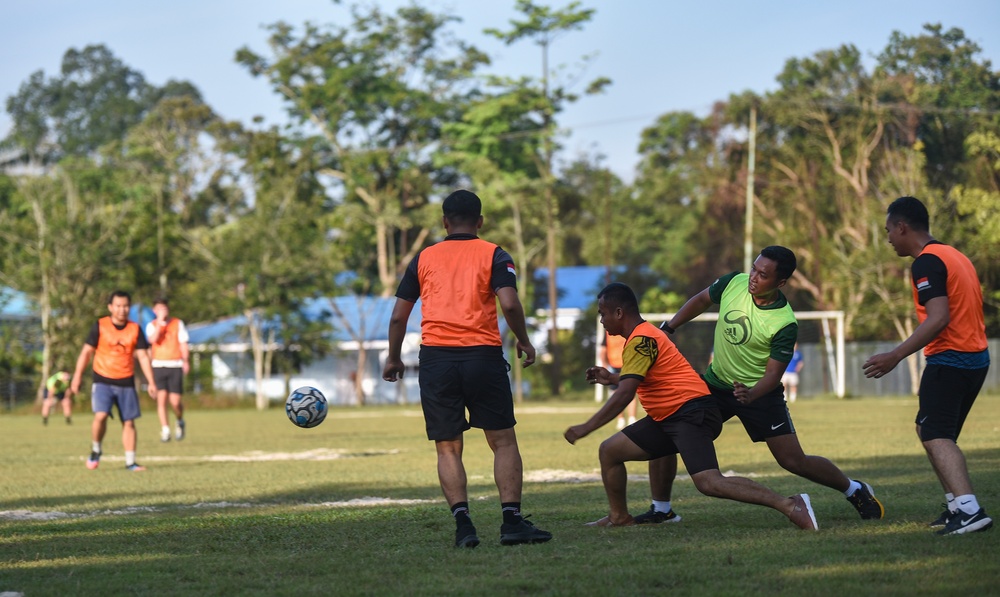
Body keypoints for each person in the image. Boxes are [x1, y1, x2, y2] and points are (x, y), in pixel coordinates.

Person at [639, 246, 884, 524]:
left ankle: (854, 489)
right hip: (714, 386)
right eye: (754, 268)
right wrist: (669, 327)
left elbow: (773, 375)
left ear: (780, 283)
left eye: (763, 274)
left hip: (760, 395)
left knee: (793, 461)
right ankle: (661, 510)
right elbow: (701, 300)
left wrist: (751, 394)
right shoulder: (734, 282)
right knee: (669, 428)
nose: (753, 277)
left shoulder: (784, 323)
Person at [565, 283, 818, 530]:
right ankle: (619, 517)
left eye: (602, 314)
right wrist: (611, 377)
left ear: (619, 313)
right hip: (673, 415)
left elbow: (625, 394)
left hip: (690, 413)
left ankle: (790, 505)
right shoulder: (643, 337)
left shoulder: (642, 340)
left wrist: (586, 427)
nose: (602, 320)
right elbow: (641, 377)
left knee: (708, 482)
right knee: (610, 451)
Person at [382, 189, 552, 549]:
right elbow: (510, 303)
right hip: (482, 357)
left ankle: (464, 525)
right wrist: (523, 339)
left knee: (448, 448)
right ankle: (511, 522)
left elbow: (399, 315)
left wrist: (394, 356)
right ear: (480, 221)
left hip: (437, 360)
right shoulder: (494, 253)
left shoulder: (423, 258)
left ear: (445, 222)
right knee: (502, 440)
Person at [863, 196, 992, 536]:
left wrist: (895, 355)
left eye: (889, 230)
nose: (889, 237)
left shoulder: (926, 262)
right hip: (975, 358)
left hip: (951, 359)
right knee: (929, 429)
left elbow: (938, 319)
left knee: (937, 434)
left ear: (902, 227)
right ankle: (955, 507)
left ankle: (969, 509)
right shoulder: (955, 255)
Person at [69, 290, 158, 472]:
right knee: (101, 416)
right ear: (110, 307)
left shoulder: (135, 329)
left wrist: (151, 381)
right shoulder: (100, 325)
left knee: (129, 422)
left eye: (125, 306)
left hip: (126, 381)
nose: (122, 310)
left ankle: (131, 462)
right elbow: (86, 352)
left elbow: (142, 357)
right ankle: (96, 450)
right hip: (102, 379)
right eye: (118, 306)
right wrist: (77, 376)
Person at [145, 298, 190, 442]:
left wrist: (186, 360)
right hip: (158, 365)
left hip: (175, 365)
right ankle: (165, 429)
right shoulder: (151, 325)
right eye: (159, 308)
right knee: (161, 400)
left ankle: (180, 420)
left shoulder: (177, 323)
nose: (162, 311)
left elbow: (183, 343)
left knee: (175, 401)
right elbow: (153, 340)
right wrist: (159, 323)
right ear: (154, 311)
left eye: (164, 308)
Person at [600, 331, 638, 429]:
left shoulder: (629, 329)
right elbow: (603, 349)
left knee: (631, 392)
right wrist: (605, 365)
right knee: (616, 393)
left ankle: (632, 419)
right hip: (613, 365)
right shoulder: (608, 332)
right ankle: (621, 420)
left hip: (628, 364)